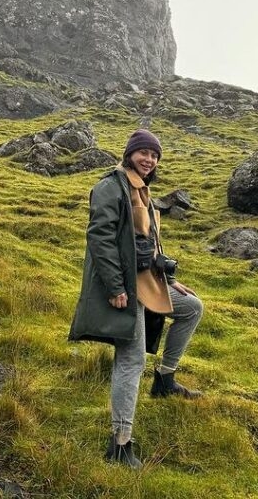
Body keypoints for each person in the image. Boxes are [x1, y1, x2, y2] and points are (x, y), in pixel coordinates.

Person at [68, 129, 204, 469]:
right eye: (144, 152)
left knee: (191, 308)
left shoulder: (144, 192)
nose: (149, 159)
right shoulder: (110, 187)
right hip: (126, 286)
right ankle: (120, 443)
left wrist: (170, 279)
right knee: (130, 361)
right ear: (130, 153)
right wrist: (116, 288)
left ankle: (165, 380)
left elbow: (148, 246)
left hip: (150, 281)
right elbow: (101, 241)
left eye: (155, 155)